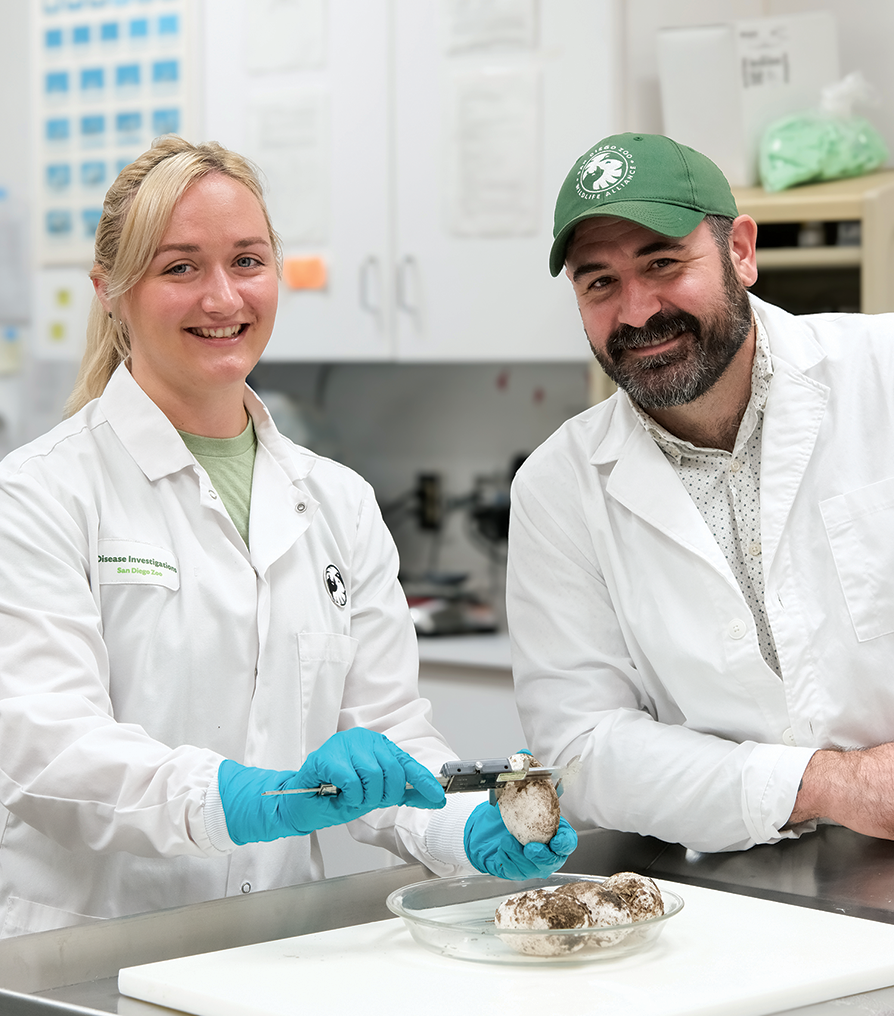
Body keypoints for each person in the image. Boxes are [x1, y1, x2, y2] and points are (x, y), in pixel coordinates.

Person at [0, 136, 574, 937]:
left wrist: (465, 830)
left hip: (269, 947)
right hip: (86, 950)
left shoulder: (337, 500)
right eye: (180, 267)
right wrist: (240, 798)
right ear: (109, 290)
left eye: (247, 260)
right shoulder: (39, 495)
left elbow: (389, 737)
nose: (223, 297)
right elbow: (48, 755)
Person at [507, 130, 894, 855]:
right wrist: (835, 785)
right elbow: (582, 749)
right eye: (599, 283)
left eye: (662, 262)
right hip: (725, 887)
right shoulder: (557, 488)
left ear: (740, 251)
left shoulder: (884, 376)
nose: (636, 310)